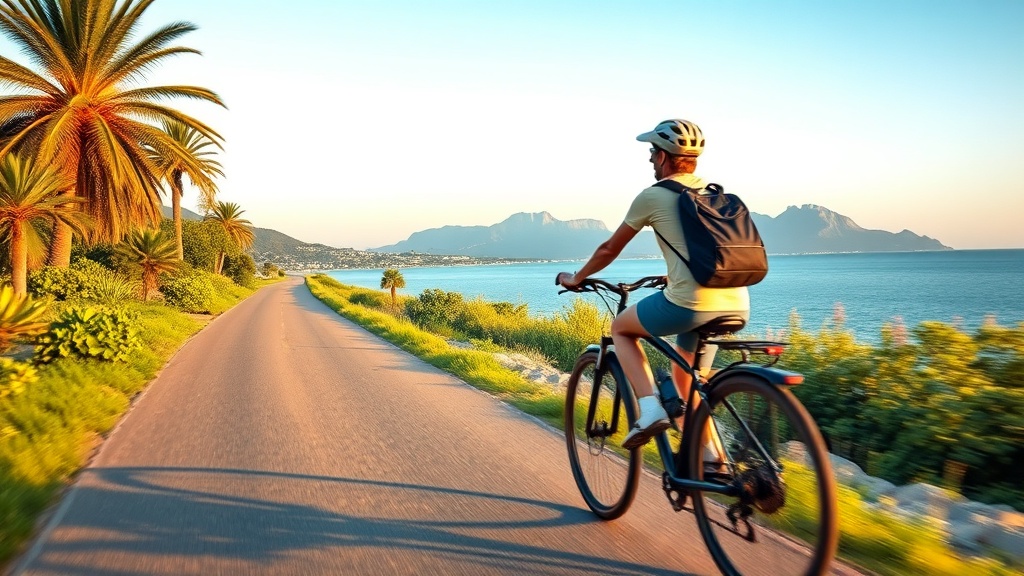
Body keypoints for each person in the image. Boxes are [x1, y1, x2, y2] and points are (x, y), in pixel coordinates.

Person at [556, 119, 750, 450]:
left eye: (651, 152)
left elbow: (609, 249)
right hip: (736, 302)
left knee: (621, 329)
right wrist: (675, 276)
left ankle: (649, 411)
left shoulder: (654, 196)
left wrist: (577, 278)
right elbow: (703, 251)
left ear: (663, 156)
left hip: (690, 305)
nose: (649, 159)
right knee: (686, 382)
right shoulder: (713, 194)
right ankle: (712, 463)